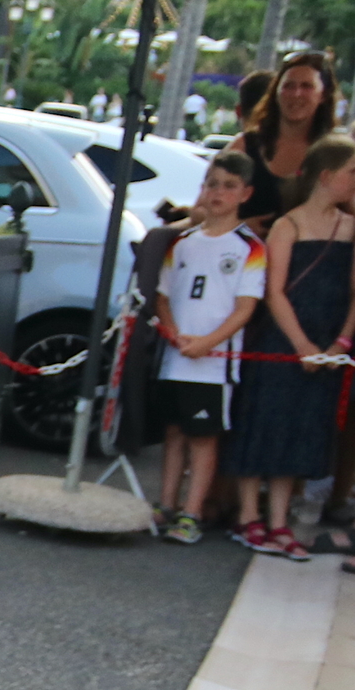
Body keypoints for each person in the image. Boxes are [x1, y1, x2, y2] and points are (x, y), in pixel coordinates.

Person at [226, 137, 355, 558]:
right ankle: (249, 515)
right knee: (263, 423)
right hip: (284, 341)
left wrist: (339, 342)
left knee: (300, 430)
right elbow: (274, 291)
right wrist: (301, 343)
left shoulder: (351, 226)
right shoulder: (288, 225)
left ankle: (279, 520)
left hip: (327, 340)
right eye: (351, 172)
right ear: (327, 175)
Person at [154, 154, 265, 544]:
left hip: (213, 365)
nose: (218, 193)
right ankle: (165, 504)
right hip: (175, 358)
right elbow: (164, 297)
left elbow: (244, 309)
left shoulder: (249, 248)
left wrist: (206, 343)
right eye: (212, 183)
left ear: (245, 194)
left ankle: (192, 512)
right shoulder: (182, 243)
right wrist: (174, 334)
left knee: (204, 439)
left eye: (229, 186)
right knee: (174, 434)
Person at [240, 51, 340, 227]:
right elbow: (202, 209)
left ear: (323, 95)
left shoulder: (338, 154)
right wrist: (239, 226)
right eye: (288, 86)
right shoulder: (245, 146)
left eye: (307, 86)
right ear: (276, 92)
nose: (296, 94)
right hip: (247, 252)